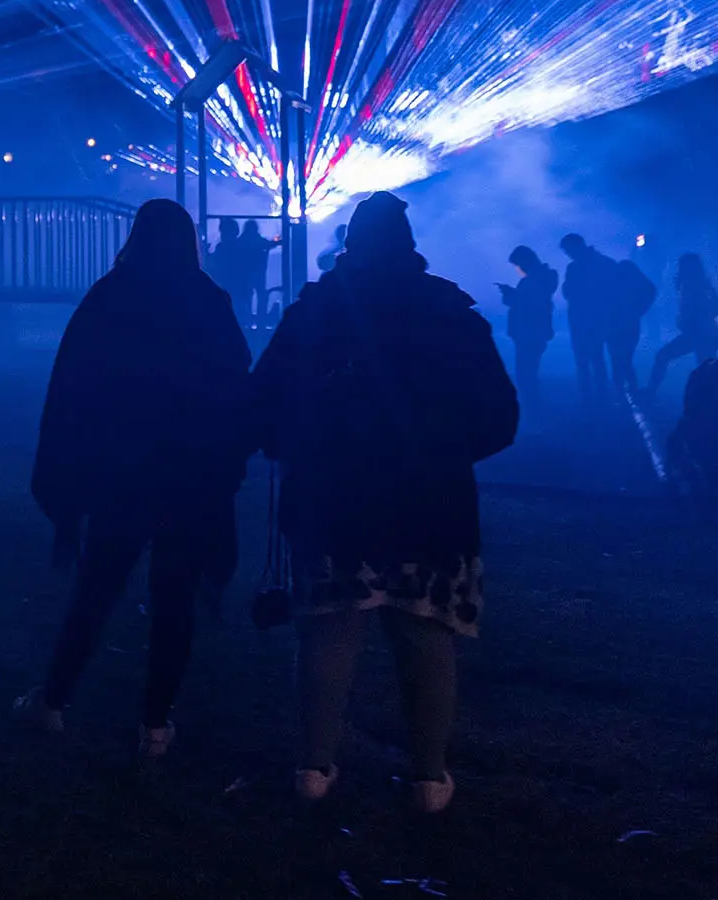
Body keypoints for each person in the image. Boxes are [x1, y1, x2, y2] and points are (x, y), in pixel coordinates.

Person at [253, 192, 519, 813]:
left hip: (333, 500)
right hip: (430, 505)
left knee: (329, 635)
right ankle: (429, 780)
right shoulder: (451, 313)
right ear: (408, 242)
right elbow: (500, 416)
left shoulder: (315, 312)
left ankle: (314, 769)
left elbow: (263, 400)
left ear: (351, 243)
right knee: (426, 635)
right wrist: (446, 457)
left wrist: (301, 445)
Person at [16, 199, 253, 756]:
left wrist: (66, 479)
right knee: (173, 599)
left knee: (97, 589)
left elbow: (70, 389)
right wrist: (225, 461)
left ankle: (52, 702)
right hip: (188, 476)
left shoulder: (110, 297)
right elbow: (235, 390)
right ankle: (154, 725)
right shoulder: (208, 301)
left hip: (122, 474)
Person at [643, 253, 718, 398]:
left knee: (664, 356)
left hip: (697, 334)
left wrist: (689, 320)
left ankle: (652, 392)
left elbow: (691, 311)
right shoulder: (705, 284)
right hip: (707, 333)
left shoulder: (690, 286)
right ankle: (713, 399)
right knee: (706, 368)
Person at [558, 234, 617, 405]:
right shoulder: (605, 262)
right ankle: (601, 396)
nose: (567, 254)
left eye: (568, 250)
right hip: (599, 318)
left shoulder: (575, 267)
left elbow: (568, 292)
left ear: (575, 247)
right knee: (597, 358)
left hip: (583, 319)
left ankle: (589, 398)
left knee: (584, 361)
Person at [497, 246, 556, 400]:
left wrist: (509, 294)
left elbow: (526, 303)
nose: (518, 268)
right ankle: (532, 401)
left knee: (525, 370)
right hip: (532, 330)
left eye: (518, 264)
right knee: (529, 369)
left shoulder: (534, 280)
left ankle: (531, 403)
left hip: (527, 331)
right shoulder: (544, 277)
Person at [606, 252, 658, 399]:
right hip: (623, 325)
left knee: (619, 359)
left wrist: (637, 311)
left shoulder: (618, 276)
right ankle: (629, 390)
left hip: (621, 325)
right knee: (623, 359)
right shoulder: (623, 276)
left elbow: (650, 290)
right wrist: (638, 311)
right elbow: (651, 289)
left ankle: (622, 391)